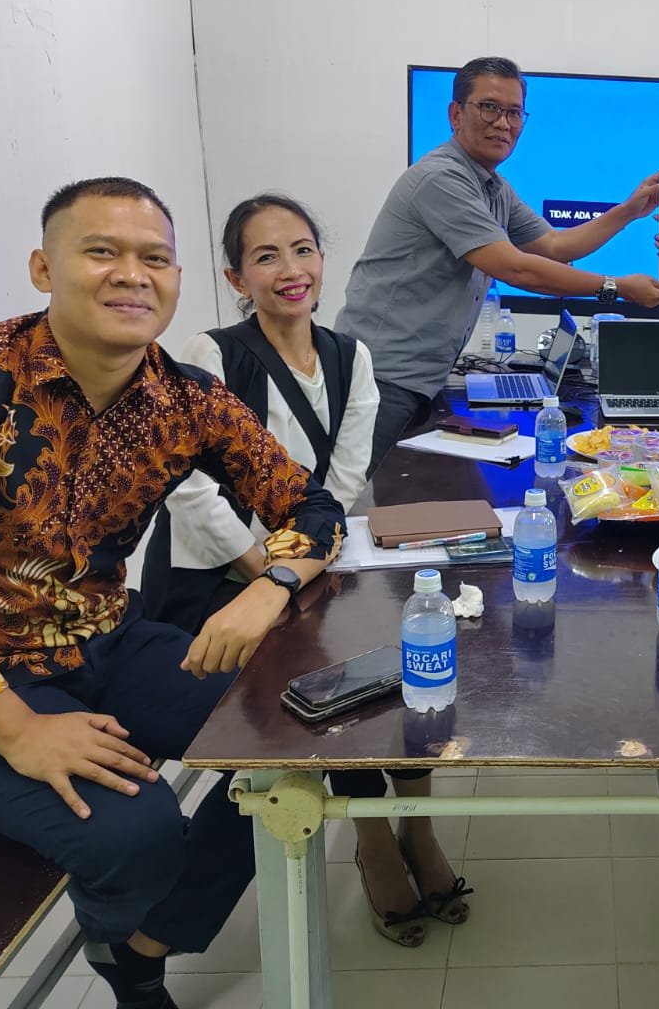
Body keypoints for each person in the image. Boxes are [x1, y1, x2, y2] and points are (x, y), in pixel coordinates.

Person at [0, 178, 344, 1009]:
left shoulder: (185, 399)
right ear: (44, 268)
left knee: (307, 734)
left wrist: (272, 584)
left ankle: (138, 946)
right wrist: (19, 732)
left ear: (178, 278)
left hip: (109, 641)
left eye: (155, 258)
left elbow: (313, 508)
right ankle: (131, 962)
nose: (131, 275)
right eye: (102, 252)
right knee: (139, 833)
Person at [149, 194, 466, 946]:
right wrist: (266, 570)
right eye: (265, 257)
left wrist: (301, 564)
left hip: (309, 558)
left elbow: (347, 474)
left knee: (397, 660)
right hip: (217, 577)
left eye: (302, 250)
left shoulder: (350, 355)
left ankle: (411, 824)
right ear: (237, 277)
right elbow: (185, 483)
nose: (289, 269)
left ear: (323, 260)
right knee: (311, 706)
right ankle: (376, 839)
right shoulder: (209, 353)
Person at [337, 55, 659, 468]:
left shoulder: (493, 187)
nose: (503, 123)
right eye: (490, 108)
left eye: (514, 112)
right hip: (381, 381)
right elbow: (515, 267)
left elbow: (554, 245)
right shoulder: (441, 179)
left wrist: (628, 211)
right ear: (455, 114)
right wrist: (616, 288)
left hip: (416, 381)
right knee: (364, 499)